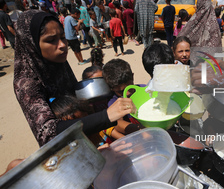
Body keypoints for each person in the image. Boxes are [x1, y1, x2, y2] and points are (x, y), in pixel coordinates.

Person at [13, 10, 135, 147]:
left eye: (63, 37)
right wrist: (106, 116)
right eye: (51, 40)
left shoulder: (59, 63)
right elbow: (48, 132)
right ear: (32, 44)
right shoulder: (26, 83)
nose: (62, 45)